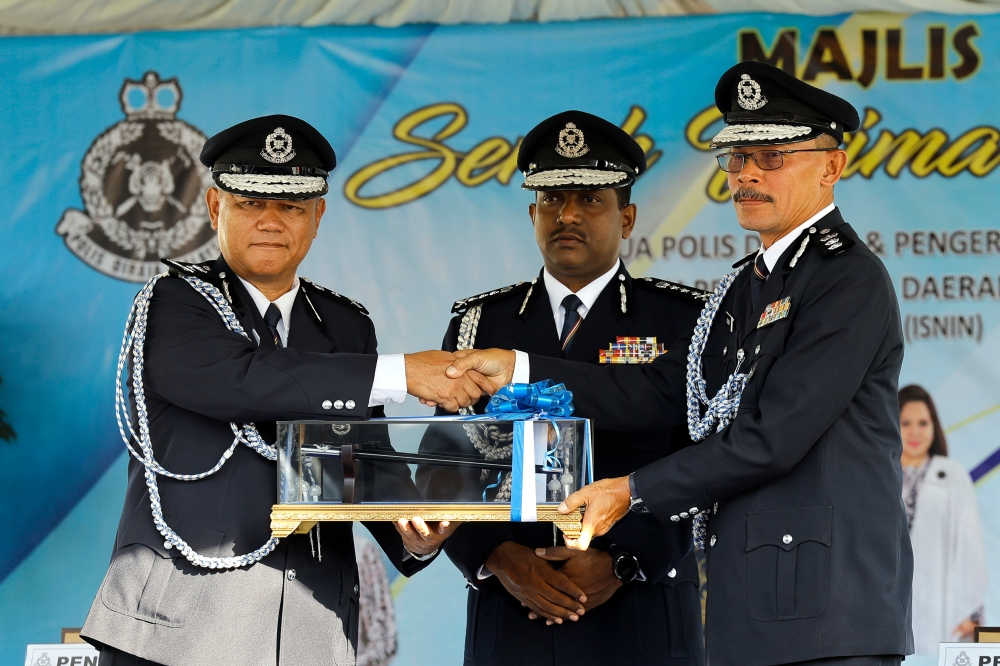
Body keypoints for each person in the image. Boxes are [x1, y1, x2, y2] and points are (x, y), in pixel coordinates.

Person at [447, 62, 914, 666]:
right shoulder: (746, 286)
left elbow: (772, 436)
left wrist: (630, 493)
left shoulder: (846, 277)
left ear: (832, 166)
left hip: (828, 611)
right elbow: (662, 395)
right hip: (754, 607)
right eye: (736, 157)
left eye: (772, 157)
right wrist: (516, 367)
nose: (746, 173)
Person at [80, 115, 482, 666]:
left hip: (309, 623)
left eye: (291, 206)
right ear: (215, 207)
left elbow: (358, 460)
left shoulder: (344, 324)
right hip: (182, 621)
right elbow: (242, 378)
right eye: (250, 203)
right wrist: (401, 373)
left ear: (317, 217)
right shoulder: (175, 301)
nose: (271, 220)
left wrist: (413, 532)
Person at [420, 111, 706, 665]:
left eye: (590, 199)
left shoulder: (681, 320)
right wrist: (497, 556)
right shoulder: (480, 325)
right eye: (551, 200)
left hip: (641, 614)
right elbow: (442, 465)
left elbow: (704, 462)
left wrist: (625, 559)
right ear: (532, 214)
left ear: (627, 219)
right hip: (513, 614)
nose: (567, 214)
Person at [898, 384, 987, 654]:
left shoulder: (952, 474)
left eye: (923, 423)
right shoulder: (878, 475)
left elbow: (973, 550)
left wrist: (974, 614)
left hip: (945, 612)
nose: (915, 431)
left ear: (934, 426)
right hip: (889, 611)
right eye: (905, 422)